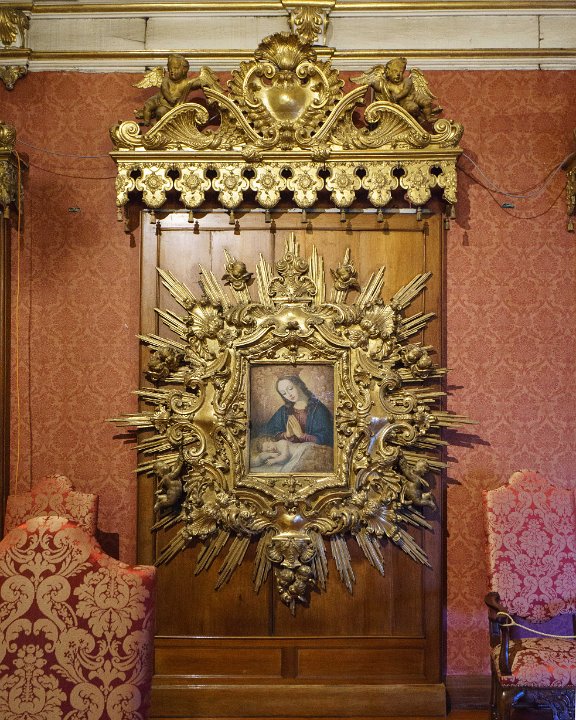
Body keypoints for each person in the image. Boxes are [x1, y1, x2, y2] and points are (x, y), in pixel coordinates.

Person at [258, 375, 333, 448]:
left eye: (290, 388)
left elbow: (327, 438)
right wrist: (286, 435)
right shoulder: (283, 411)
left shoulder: (318, 409)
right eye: (284, 393)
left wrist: (302, 436)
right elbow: (267, 432)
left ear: (299, 384)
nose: (289, 394)